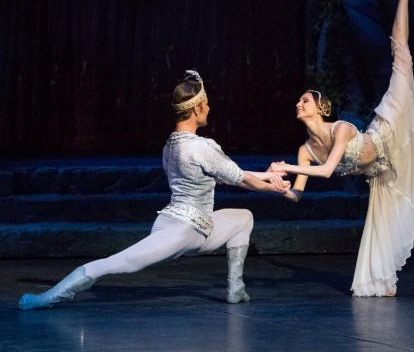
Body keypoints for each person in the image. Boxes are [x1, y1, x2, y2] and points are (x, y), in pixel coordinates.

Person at [19, 70, 290, 310]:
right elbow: (241, 178)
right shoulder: (201, 147)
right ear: (196, 110)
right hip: (184, 230)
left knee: (244, 217)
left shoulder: (170, 146)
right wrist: (274, 188)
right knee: (120, 262)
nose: (209, 109)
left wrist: (268, 174)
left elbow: (230, 176)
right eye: (206, 105)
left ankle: (236, 289)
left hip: (194, 226)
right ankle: (49, 297)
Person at [269, 0, 414, 297]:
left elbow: (328, 171)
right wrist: (274, 183)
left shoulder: (340, 128)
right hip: (379, 173)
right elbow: (299, 192)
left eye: (305, 100)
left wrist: (284, 165)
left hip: (387, 132)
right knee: (376, 286)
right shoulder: (305, 149)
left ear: (320, 107)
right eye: (298, 101)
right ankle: (386, 282)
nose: (298, 103)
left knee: (400, 57)